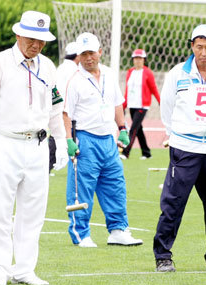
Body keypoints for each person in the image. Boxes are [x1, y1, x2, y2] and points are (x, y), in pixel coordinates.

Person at [0, 10, 68, 285]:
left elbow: (55, 109)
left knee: (33, 210)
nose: (36, 45)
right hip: (5, 142)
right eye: (31, 38)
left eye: (41, 40)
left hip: (37, 146)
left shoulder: (48, 67)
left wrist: (60, 143)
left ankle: (25, 268)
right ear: (19, 34)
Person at [153, 24, 206, 273]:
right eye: (199, 46)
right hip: (184, 147)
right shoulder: (177, 73)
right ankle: (163, 255)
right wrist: (172, 133)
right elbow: (167, 105)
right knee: (173, 204)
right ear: (192, 47)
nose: (203, 52)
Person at [63, 32, 143, 248]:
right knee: (82, 188)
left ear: (100, 52)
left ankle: (118, 230)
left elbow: (117, 103)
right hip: (85, 139)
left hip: (108, 139)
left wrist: (122, 128)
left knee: (115, 184)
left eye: (92, 53)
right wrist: (69, 140)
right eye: (83, 54)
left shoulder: (108, 74)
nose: (88, 58)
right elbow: (66, 113)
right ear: (78, 56)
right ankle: (81, 234)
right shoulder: (74, 81)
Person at [120, 48, 161, 160]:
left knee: (133, 129)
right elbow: (127, 90)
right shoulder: (130, 72)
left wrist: (160, 102)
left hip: (142, 106)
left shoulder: (147, 73)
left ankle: (125, 152)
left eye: (140, 58)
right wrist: (123, 104)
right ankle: (147, 153)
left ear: (144, 60)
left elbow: (154, 89)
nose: (138, 60)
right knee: (138, 130)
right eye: (136, 58)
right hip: (132, 105)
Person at [49, 42, 80, 175]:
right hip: (66, 109)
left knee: (58, 135)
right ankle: (48, 165)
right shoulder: (74, 70)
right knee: (60, 137)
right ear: (78, 55)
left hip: (56, 106)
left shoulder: (61, 67)